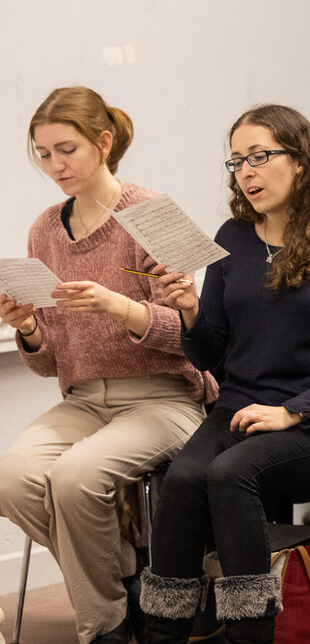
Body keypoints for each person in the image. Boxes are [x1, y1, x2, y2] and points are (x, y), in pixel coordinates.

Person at [139, 105, 310, 644]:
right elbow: (208, 355)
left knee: (230, 475)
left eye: (259, 157)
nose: (246, 172)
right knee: (180, 481)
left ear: (299, 161)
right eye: (236, 162)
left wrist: (291, 411)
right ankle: (162, 634)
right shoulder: (233, 237)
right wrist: (189, 311)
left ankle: (249, 635)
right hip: (243, 408)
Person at [0, 87, 214, 644]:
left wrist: (116, 305)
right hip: (83, 399)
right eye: (43, 154)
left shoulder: (152, 213)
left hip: (166, 397)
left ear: (103, 142)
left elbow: (199, 336)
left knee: (73, 479)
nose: (55, 166)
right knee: (11, 478)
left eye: (65, 149)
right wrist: (26, 327)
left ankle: (105, 627)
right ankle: (127, 575)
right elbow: (52, 364)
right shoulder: (45, 229)